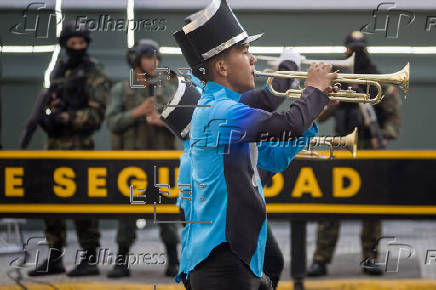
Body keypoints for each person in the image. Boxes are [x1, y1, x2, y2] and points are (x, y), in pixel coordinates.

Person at [173, 0, 336, 288]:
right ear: (221, 66)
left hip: (240, 258)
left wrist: (312, 117)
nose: (253, 59)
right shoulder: (220, 112)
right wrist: (313, 89)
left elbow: (273, 158)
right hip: (222, 262)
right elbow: (288, 123)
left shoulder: (227, 110)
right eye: (244, 51)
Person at [307, 30, 401, 277]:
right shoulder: (339, 80)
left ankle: (370, 258)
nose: (356, 54)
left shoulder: (381, 82)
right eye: (352, 50)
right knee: (330, 204)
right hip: (340, 147)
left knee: (372, 206)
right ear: (346, 51)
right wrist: (331, 98)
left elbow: (394, 120)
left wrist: (381, 134)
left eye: (360, 50)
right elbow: (319, 116)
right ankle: (320, 259)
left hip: (370, 149)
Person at [26, 20, 111, 277]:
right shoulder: (59, 72)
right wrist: (48, 116)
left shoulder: (95, 73)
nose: (77, 47)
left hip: (80, 147)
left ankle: (90, 258)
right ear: (65, 45)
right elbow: (53, 103)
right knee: (50, 202)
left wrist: (63, 118)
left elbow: (96, 116)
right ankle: (55, 256)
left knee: (83, 201)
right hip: (54, 146)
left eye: (81, 43)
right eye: (72, 43)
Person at [105, 39, 180, 278]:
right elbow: (111, 122)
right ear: (136, 60)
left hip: (162, 161)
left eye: (156, 58)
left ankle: (174, 260)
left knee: (167, 211)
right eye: (148, 57)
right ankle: (121, 260)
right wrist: (137, 113)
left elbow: (185, 124)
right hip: (131, 163)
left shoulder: (169, 87)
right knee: (127, 212)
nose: (153, 63)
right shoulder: (121, 89)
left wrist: (164, 121)